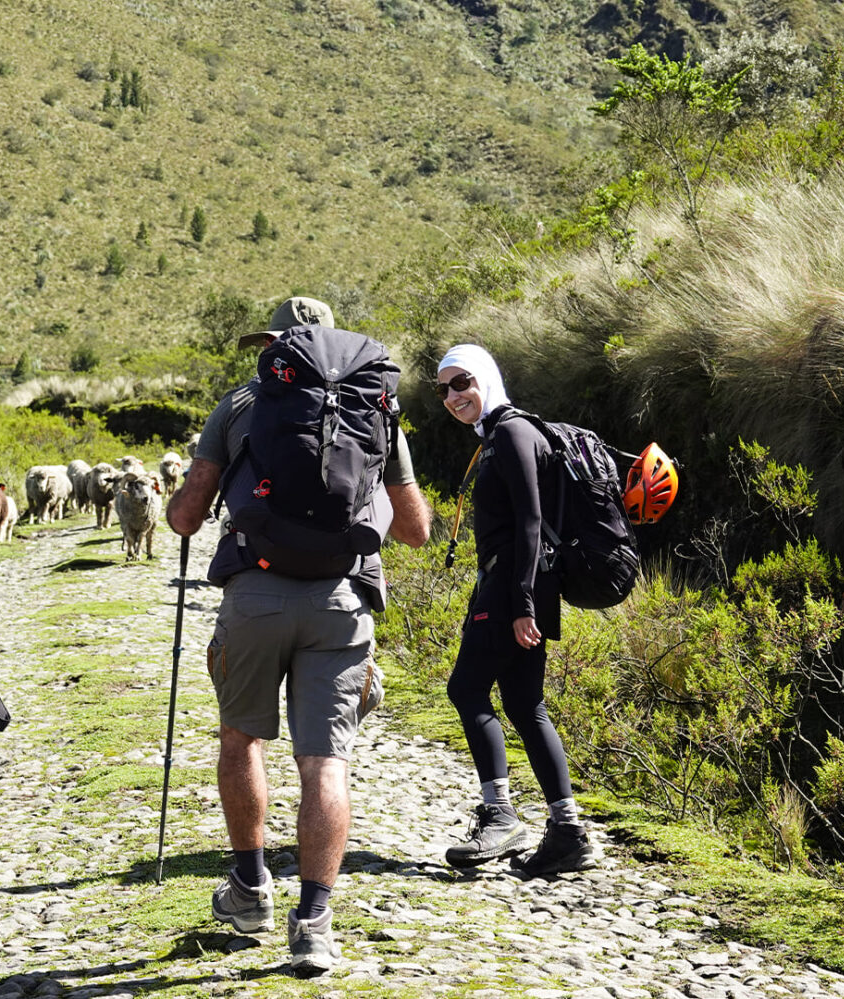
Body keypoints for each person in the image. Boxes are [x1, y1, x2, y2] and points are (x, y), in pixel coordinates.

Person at [166, 297, 431, 973]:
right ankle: (314, 919)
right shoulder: (378, 405)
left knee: (241, 737)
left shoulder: (242, 401)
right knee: (325, 761)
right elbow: (415, 529)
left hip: (255, 593)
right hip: (342, 600)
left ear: (280, 343)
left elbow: (186, 516)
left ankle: (251, 886)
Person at [432, 343, 601, 876]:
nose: (453, 396)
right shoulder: (505, 434)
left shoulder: (509, 432)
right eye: (443, 389)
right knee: (526, 704)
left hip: (514, 587)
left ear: (486, 378)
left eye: (462, 383)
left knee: (466, 689)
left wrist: (521, 603)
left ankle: (500, 814)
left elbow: (530, 521)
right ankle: (568, 832)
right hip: (525, 584)